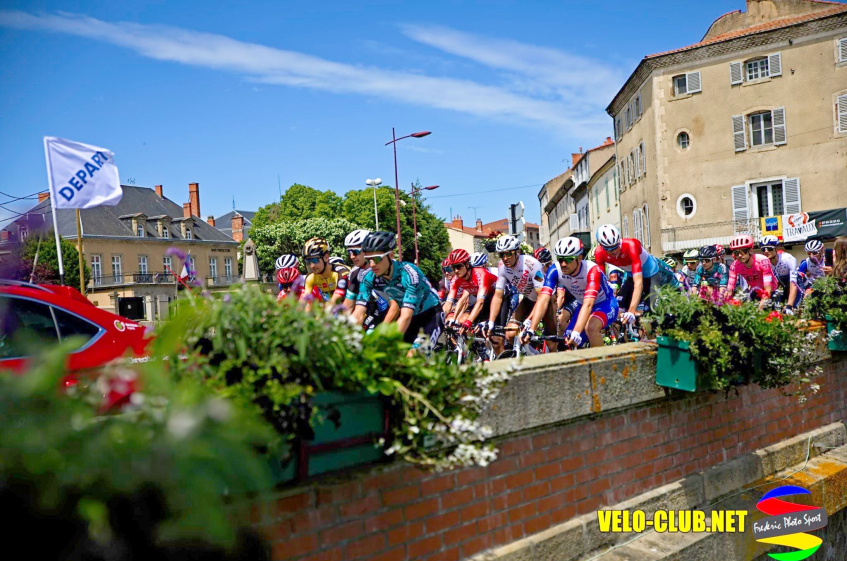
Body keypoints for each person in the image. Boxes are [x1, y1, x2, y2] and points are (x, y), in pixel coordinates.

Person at [352, 232, 443, 349]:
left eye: (376, 259)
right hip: (410, 319)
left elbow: (406, 316)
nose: (372, 264)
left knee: (413, 356)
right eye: (368, 259)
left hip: (429, 316)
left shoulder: (409, 274)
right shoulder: (368, 277)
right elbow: (358, 313)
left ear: (391, 255)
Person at [526, 237, 618, 348]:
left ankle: (604, 364)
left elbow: (588, 304)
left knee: (591, 327)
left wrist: (577, 331)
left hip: (605, 304)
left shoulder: (591, 270)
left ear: (579, 258)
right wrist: (531, 329)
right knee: (567, 345)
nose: (563, 264)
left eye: (569, 259)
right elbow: (543, 299)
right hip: (581, 305)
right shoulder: (555, 270)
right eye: (560, 259)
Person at [593, 224, 678, 324]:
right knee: (617, 309)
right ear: (601, 246)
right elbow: (602, 283)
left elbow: (638, 283)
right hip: (630, 276)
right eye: (609, 249)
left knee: (651, 315)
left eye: (615, 246)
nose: (613, 251)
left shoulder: (631, 245)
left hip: (652, 276)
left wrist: (631, 311)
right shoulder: (598, 253)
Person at [483, 235, 548, 353]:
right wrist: (491, 321)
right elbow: (498, 296)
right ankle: (532, 355)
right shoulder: (502, 267)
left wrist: (529, 320)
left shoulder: (532, 264)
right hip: (529, 300)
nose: (505, 258)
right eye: (502, 255)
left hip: (545, 300)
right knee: (510, 334)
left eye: (508, 253)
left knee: (551, 344)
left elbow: (541, 297)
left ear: (517, 252)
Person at [342, 229, 397, 327]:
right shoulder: (356, 273)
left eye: (355, 251)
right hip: (375, 316)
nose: (352, 256)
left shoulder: (388, 267)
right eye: (349, 252)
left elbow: (397, 306)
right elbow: (349, 306)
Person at [442, 249, 498, 337]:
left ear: (467, 264)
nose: (456, 271)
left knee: (495, 337)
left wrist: (469, 321)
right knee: (474, 328)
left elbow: (480, 302)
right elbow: (449, 302)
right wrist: (441, 318)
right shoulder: (456, 279)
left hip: (501, 297)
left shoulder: (480, 274)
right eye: (453, 267)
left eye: (458, 266)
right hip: (486, 300)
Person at [725, 234, 774, 307]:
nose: (739, 255)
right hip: (755, 291)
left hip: (772, 291)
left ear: (750, 251)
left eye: (743, 252)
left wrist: (760, 308)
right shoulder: (734, 266)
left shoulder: (763, 261)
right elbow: (729, 290)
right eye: (736, 253)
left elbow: (768, 290)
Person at [301, 237, 349, 307]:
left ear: (326, 257)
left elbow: (335, 301)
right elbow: (302, 301)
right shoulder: (311, 277)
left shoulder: (341, 273)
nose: (311, 265)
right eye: (308, 261)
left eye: (315, 260)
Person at [759, 235, 801, 312]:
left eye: (769, 248)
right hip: (778, 288)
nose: (766, 251)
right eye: (763, 249)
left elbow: (793, 283)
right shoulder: (762, 263)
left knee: (793, 311)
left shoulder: (788, 259)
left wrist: (789, 305)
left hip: (793, 286)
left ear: (777, 248)